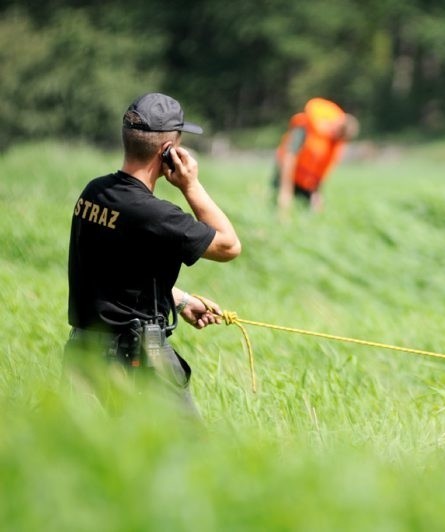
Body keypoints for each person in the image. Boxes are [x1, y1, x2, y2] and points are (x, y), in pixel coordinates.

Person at [64, 92, 242, 417]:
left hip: (84, 353)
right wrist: (190, 185)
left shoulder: (94, 192)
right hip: (133, 359)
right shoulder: (155, 214)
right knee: (187, 458)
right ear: (168, 151)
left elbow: (112, 278)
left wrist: (182, 301)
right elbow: (229, 246)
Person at [273, 97, 359, 218]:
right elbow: (289, 156)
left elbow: (322, 169)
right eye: (336, 132)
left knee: (311, 215)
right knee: (280, 212)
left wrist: (316, 193)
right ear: (336, 124)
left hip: (307, 185)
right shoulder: (305, 127)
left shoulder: (333, 143)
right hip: (287, 175)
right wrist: (285, 191)